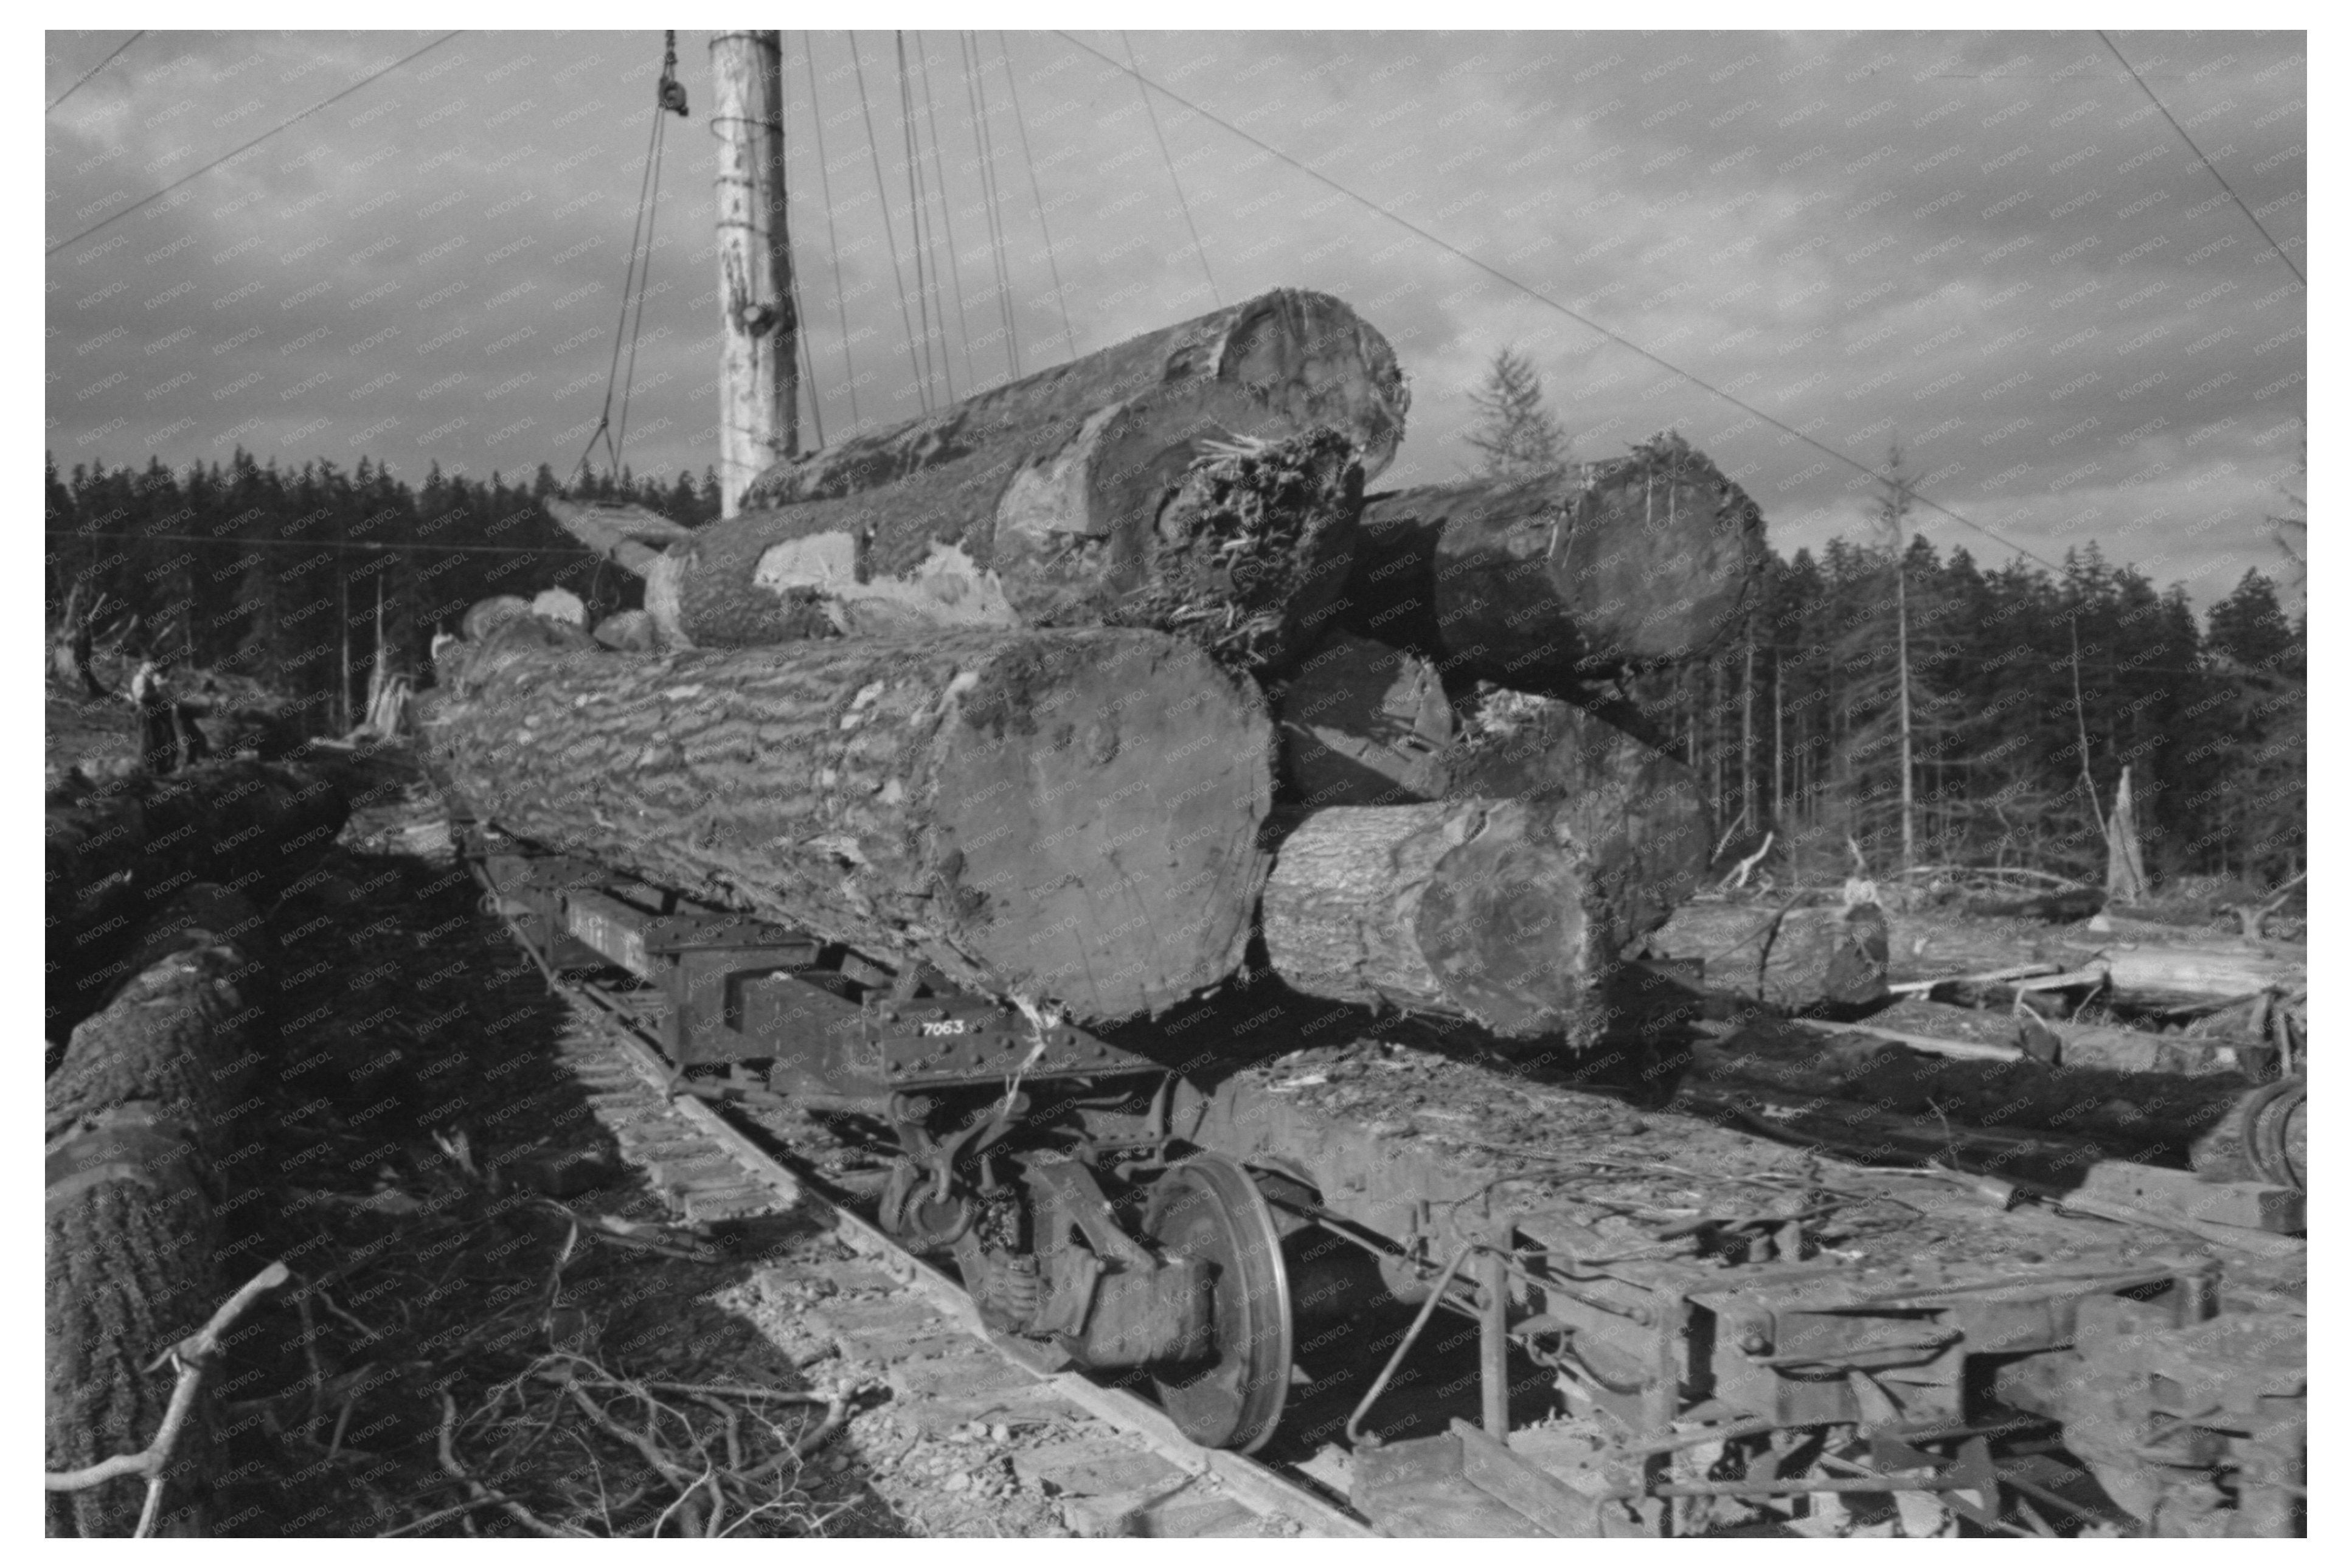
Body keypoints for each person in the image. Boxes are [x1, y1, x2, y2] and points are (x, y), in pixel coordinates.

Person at [130, 658, 179, 775]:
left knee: (157, 740)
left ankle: (158, 768)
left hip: (153, 711)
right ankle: (147, 768)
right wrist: (158, 695)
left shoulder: (148, 679)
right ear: (144, 668)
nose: (152, 669)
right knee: (147, 740)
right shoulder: (140, 679)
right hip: (145, 711)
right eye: (149, 667)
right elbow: (142, 696)